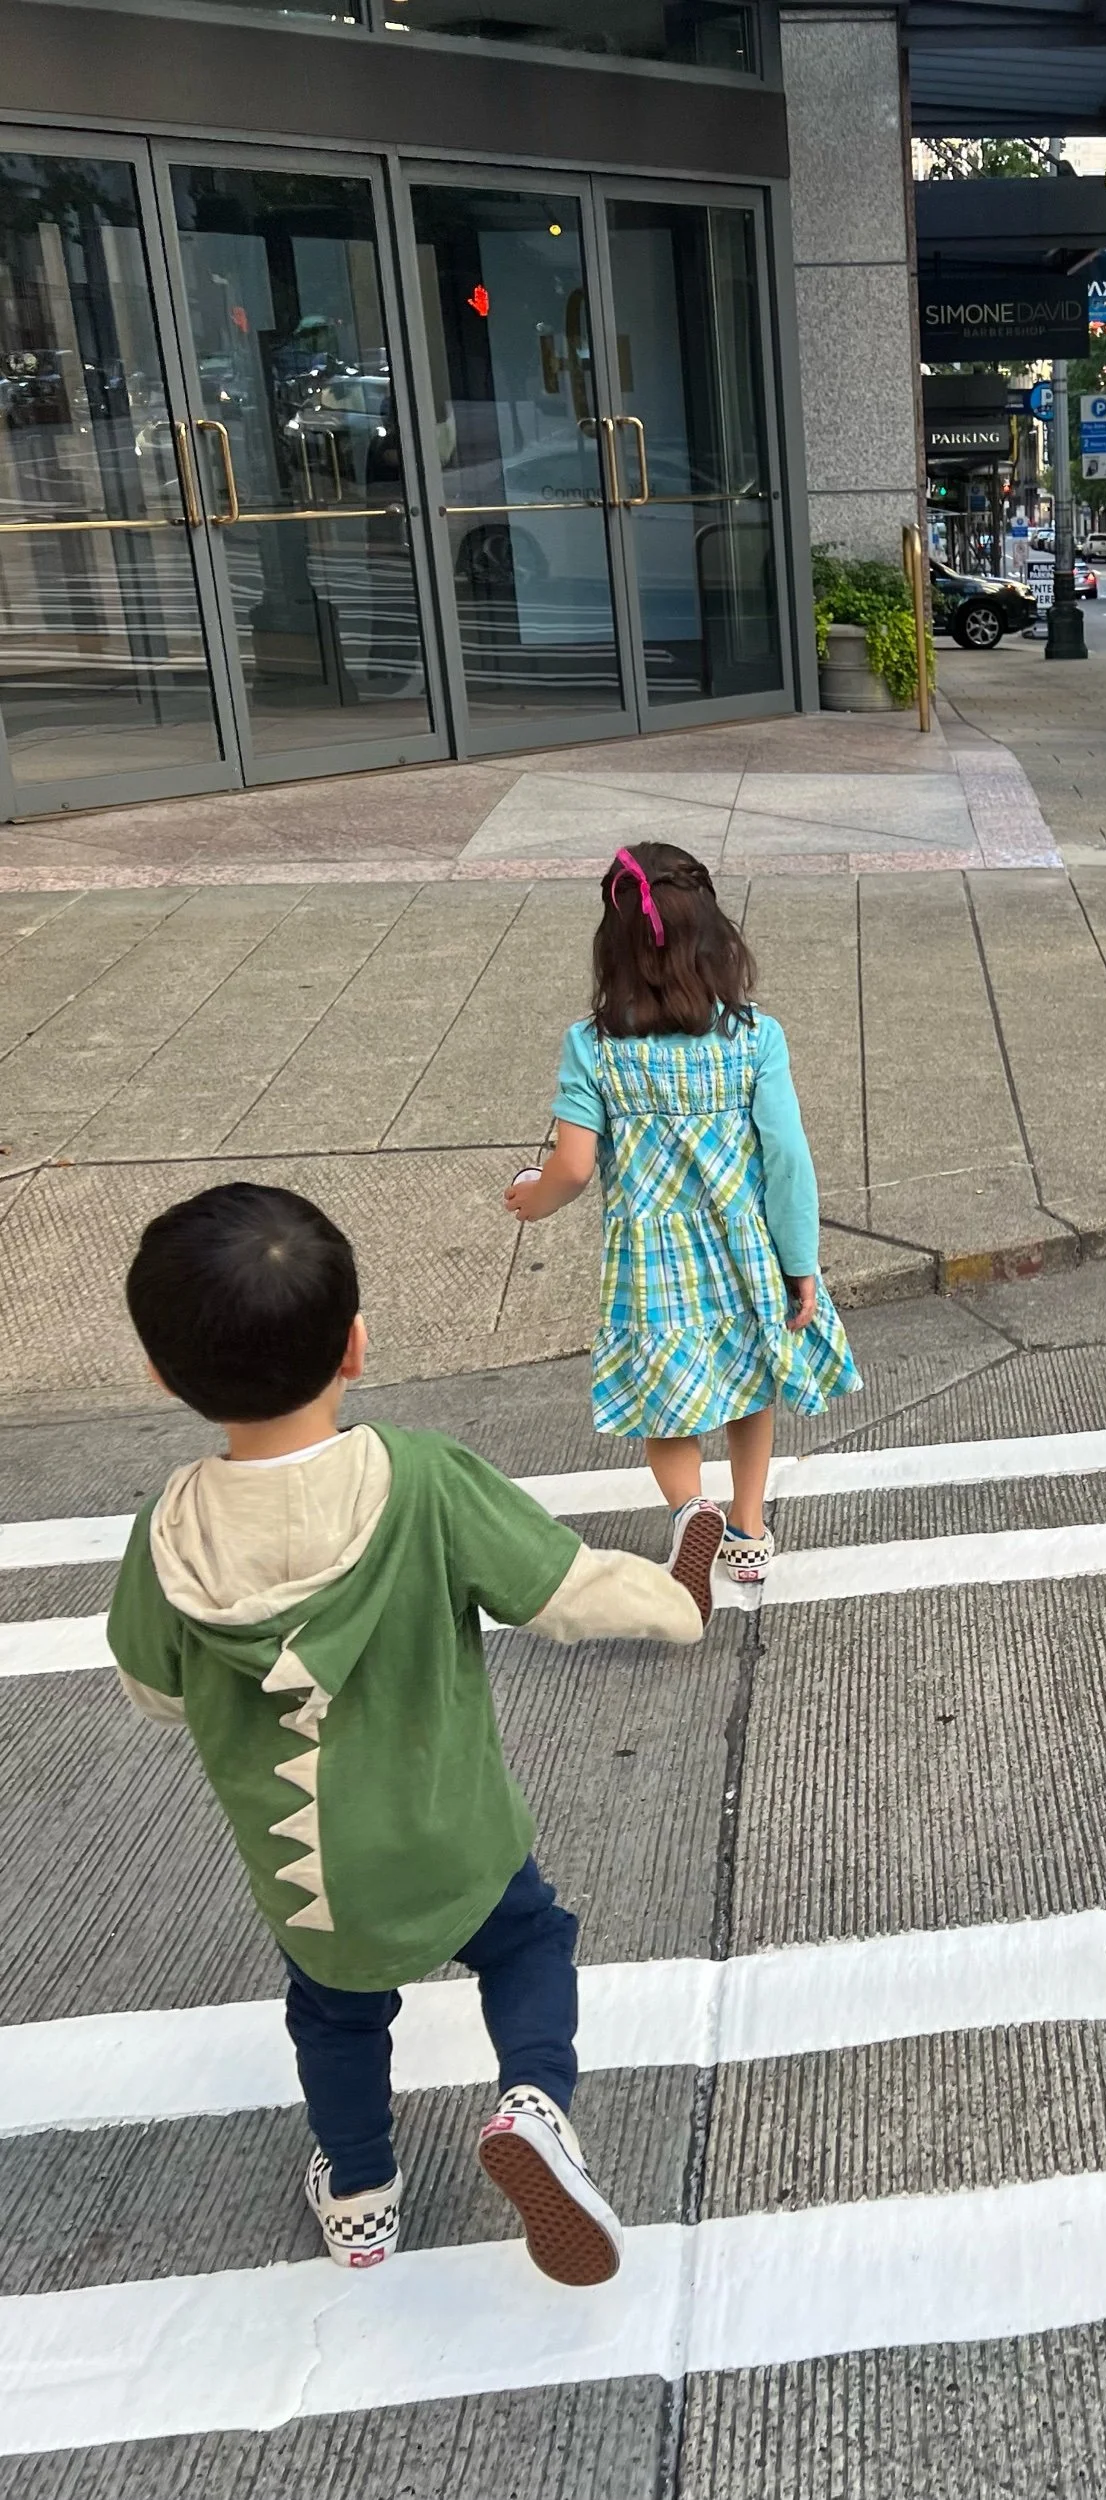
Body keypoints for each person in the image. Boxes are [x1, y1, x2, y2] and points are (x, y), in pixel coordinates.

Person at [108, 1182, 714, 2282]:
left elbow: (152, 1687)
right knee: (526, 1941)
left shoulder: (167, 1538)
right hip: (455, 1837)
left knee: (337, 2019)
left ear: (162, 1374)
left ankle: (360, 2196)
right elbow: (564, 1590)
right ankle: (533, 2103)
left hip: (311, 1882)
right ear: (355, 1345)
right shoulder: (421, 1480)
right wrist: (674, 1603)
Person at [506, 842, 860, 1588]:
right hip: (743, 1248)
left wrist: (529, 1199)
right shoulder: (755, 1038)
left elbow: (571, 1167)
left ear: (613, 951)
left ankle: (690, 1510)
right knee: (750, 1385)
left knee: (668, 1405)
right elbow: (787, 1160)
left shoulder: (594, 1050)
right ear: (717, 942)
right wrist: (799, 1262)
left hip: (651, 1261)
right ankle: (749, 1529)